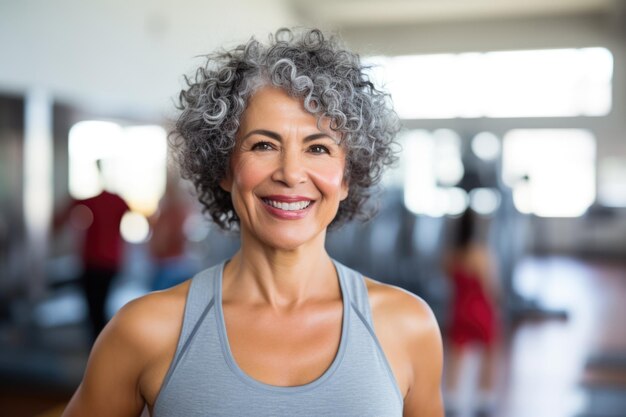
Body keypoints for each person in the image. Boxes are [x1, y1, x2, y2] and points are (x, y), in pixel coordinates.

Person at [62, 28, 444, 417]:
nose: (291, 173)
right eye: (264, 145)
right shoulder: (145, 330)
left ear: (347, 177)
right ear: (224, 169)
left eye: (318, 148)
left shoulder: (408, 326)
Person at [53, 159, 130, 342]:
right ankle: (100, 344)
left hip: (94, 261)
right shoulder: (117, 201)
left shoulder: (92, 201)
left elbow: (59, 219)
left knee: (93, 307)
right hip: (110, 261)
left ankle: (98, 344)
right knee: (100, 305)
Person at [443, 208, 501, 415]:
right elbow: (492, 287)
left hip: (460, 310)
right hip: (481, 311)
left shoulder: (451, 256)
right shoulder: (482, 255)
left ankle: (451, 400)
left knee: (456, 356)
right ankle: (484, 400)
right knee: (489, 353)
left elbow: (449, 280)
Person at [148, 173, 197, 291]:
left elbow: (161, 243)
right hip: (175, 264)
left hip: (170, 265)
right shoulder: (178, 213)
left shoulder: (172, 215)